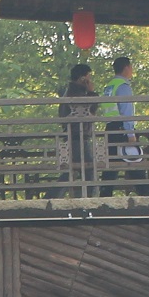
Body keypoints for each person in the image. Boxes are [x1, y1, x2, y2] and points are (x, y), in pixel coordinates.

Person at [101, 56, 147, 196]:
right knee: (134, 160)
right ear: (126, 67)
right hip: (122, 128)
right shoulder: (123, 86)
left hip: (110, 128)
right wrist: (131, 133)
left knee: (111, 165)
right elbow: (126, 110)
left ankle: (105, 195)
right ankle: (146, 194)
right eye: (131, 67)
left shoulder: (109, 86)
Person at [56, 63, 98, 197]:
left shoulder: (68, 92)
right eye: (88, 77)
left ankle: (54, 196)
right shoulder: (77, 93)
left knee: (72, 169)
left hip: (72, 136)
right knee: (89, 167)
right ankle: (88, 199)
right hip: (78, 135)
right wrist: (92, 92)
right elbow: (89, 110)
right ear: (82, 78)